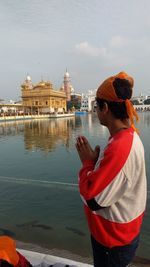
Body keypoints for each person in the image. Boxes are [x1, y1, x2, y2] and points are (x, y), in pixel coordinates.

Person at [75, 72, 147, 267]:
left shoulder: (120, 147)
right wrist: (97, 163)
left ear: (104, 108)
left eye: (97, 107)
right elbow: (116, 181)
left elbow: (93, 199)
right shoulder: (126, 136)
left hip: (113, 241)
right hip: (119, 234)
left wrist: (87, 164)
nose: (96, 111)